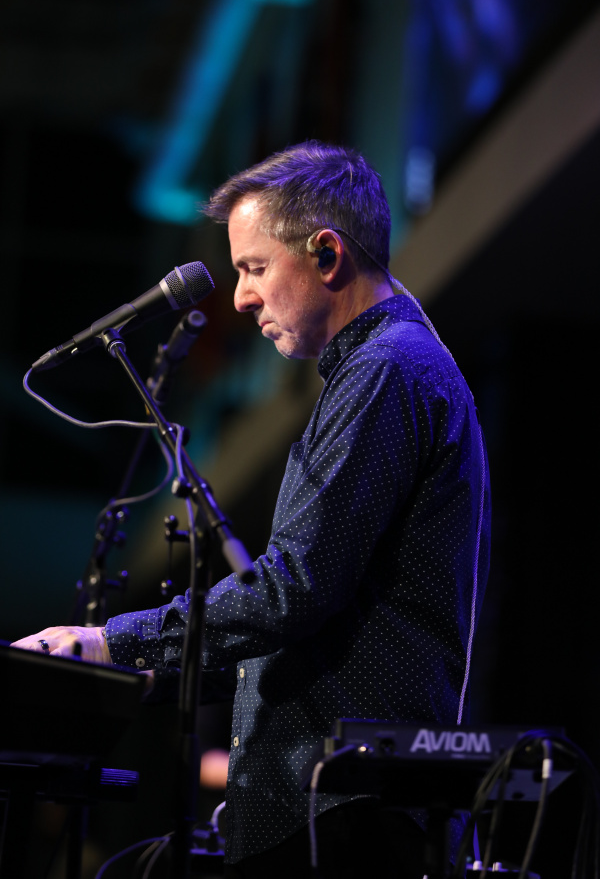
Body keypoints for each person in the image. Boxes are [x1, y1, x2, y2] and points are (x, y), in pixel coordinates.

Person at [13, 141, 491, 878]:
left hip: (341, 812)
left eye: (254, 268)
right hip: (322, 805)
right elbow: (306, 618)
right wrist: (127, 672)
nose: (239, 297)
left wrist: (113, 645)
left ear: (326, 254)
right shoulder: (381, 368)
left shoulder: (387, 370)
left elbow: (293, 590)